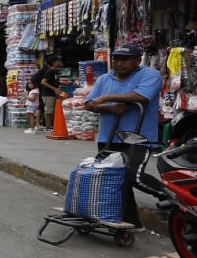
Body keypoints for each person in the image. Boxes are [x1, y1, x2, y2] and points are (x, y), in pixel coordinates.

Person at [83, 43, 165, 228]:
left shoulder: (150, 75)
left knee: (133, 175)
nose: (119, 63)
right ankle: (131, 222)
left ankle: (170, 197)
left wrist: (105, 98)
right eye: (116, 59)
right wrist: (109, 108)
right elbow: (89, 103)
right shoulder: (104, 78)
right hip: (108, 137)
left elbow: (142, 97)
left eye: (125, 60)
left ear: (137, 60)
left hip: (139, 137)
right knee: (115, 180)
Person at [38, 55, 65, 131]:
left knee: (53, 110)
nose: (60, 62)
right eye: (58, 61)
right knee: (49, 111)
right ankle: (48, 127)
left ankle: (53, 126)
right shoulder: (49, 71)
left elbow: (55, 82)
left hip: (53, 94)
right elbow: (43, 82)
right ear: (53, 63)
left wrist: (61, 85)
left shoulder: (56, 71)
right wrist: (54, 89)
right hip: (48, 94)